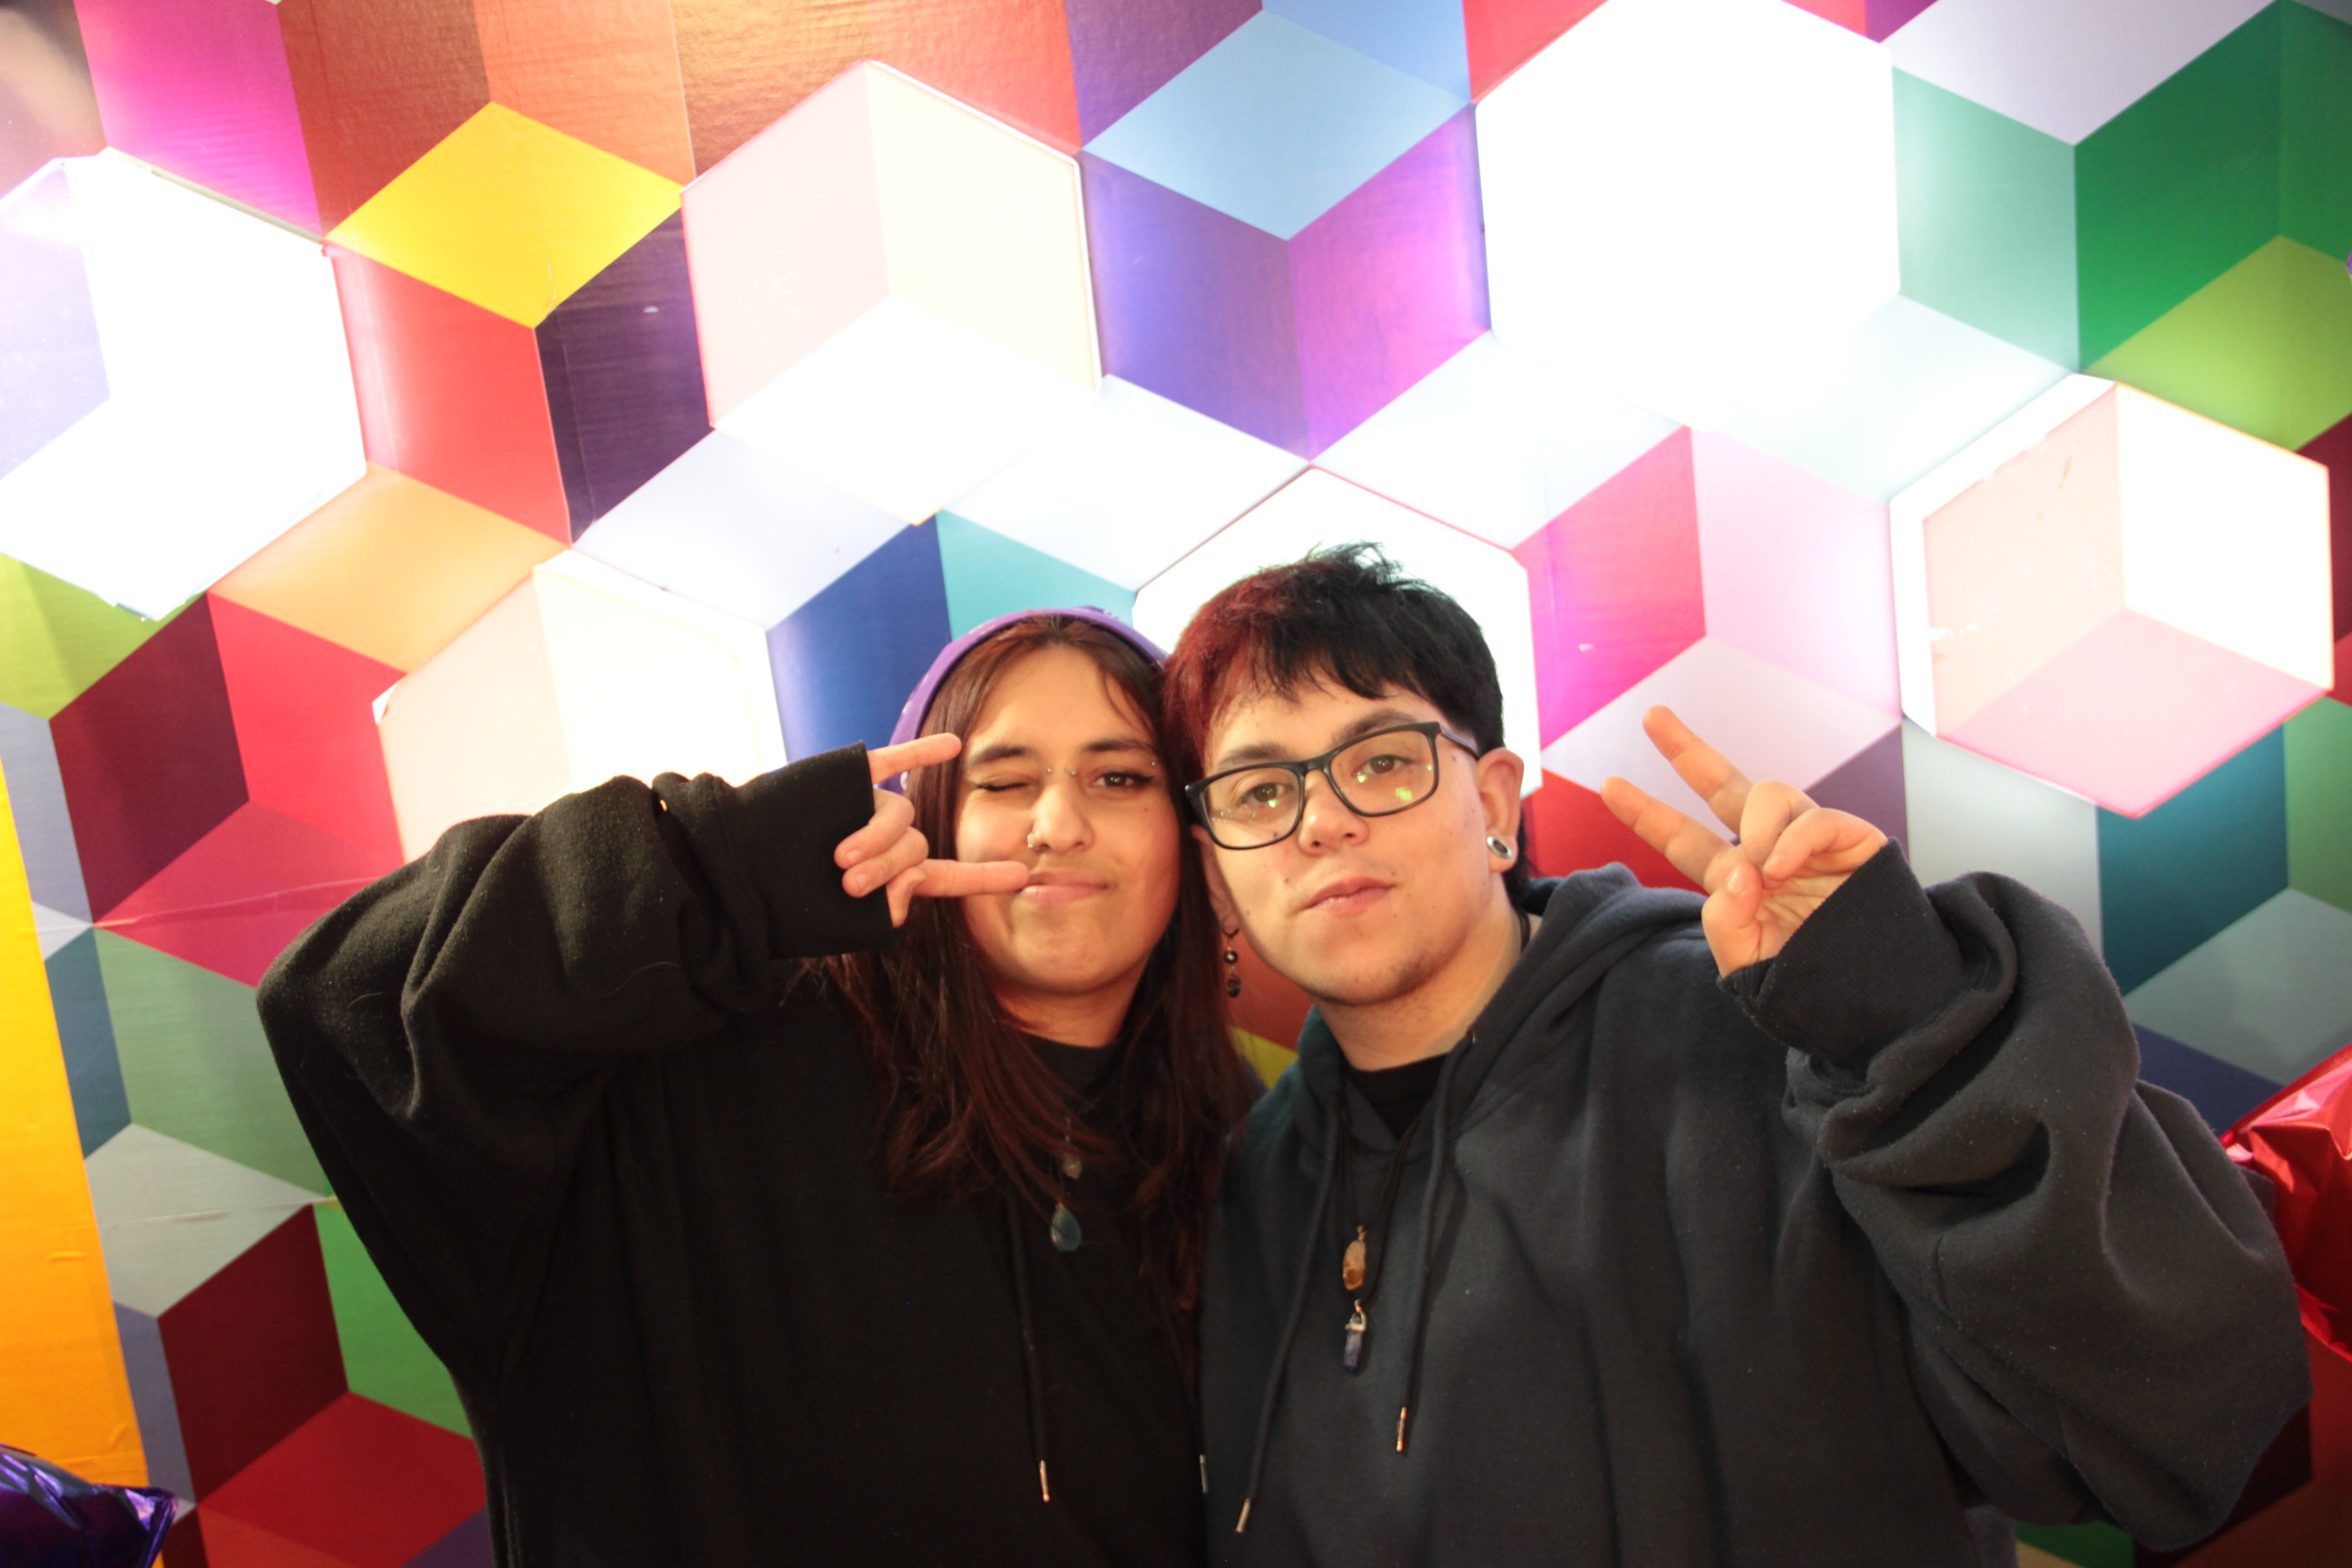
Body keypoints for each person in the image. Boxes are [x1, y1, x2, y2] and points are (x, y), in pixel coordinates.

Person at [1163, 546, 2308, 1568]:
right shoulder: (1250, 1186)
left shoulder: (1772, 1043)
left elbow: (2175, 1421)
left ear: (1497, 802)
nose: (1322, 820)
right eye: (1260, 791)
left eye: (1380, 762)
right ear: (1218, 873)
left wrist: (1904, 1012)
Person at [259, 609, 1258, 1568]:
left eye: (1120, 777)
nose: (1059, 824)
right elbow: (343, 994)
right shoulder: (712, 1069)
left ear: (1192, 832)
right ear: (924, 818)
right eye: (1004, 780)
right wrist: (720, 867)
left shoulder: (1243, 1143)